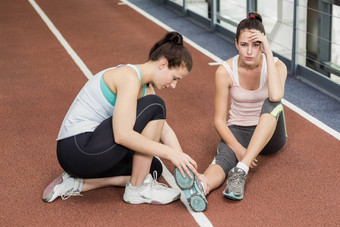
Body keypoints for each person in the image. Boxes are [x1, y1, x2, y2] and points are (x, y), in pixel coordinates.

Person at [42, 31, 199, 205]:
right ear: (163, 64)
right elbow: (122, 135)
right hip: (77, 149)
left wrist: (186, 166)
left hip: (88, 152)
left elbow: (165, 131)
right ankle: (137, 189)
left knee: (153, 167)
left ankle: (78, 183)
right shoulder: (129, 77)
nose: (174, 85)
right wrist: (171, 154)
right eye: (175, 78)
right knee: (156, 105)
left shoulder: (145, 87)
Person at [175, 12, 288, 209]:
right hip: (239, 130)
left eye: (256, 45)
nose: (250, 51)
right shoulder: (225, 71)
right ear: (236, 44)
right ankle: (201, 186)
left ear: (263, 44)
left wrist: (269, 53)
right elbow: (219, 120)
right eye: (244, 45)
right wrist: (238, 148)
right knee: (223, 160)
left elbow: (276, 96)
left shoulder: (277, 66)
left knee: (272, 102)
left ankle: (241, 170)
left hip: (271, 136)